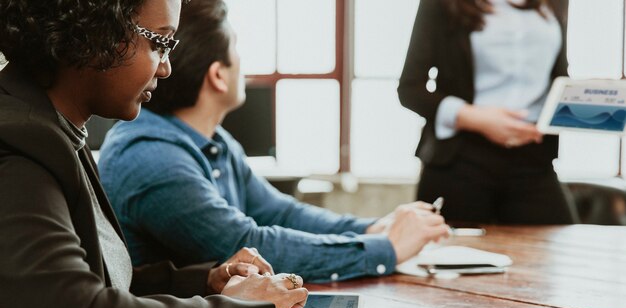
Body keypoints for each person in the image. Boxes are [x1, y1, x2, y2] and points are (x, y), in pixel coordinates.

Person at [0, 0, 308, 308]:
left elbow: (94, 279)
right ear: (96, 31)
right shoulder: (18, 145)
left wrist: (205, 282)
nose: (166, 67)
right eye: (159, 43)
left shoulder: (53, 129)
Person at [98, 0, 450, 283]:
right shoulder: (150, 157)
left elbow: (280, 212)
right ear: (218, 75)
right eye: (236, 50)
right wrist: (386, 247)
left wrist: (373, 228)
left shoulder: (214, 141)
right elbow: (246, 244)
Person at [398, 0, 577, 224]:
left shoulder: (554, 2)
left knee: (560, 248)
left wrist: (594, 99)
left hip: (534, 156)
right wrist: (478, 120)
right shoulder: (444, 4)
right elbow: (410, 89)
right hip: (461, 156)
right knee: (451, 252)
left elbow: (558, 78)